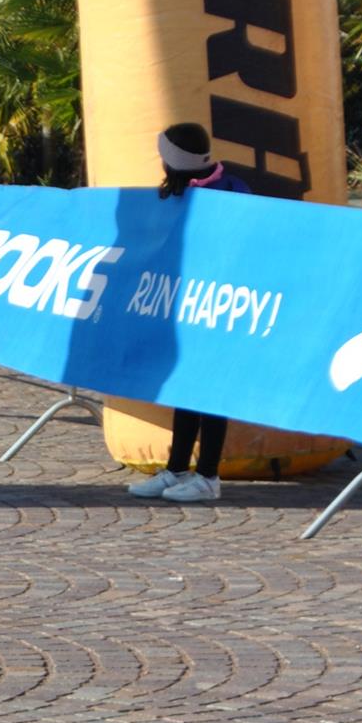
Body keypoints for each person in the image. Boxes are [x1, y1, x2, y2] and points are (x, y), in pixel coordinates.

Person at [128, 121, 252, 504]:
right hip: (183, 307)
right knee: (184, 388)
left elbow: (243, 243)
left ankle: (208, 476)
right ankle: (178, 468)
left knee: (211, 393)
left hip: (218, 306)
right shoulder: (177, 193)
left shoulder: (230, 191)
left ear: (174, 161)